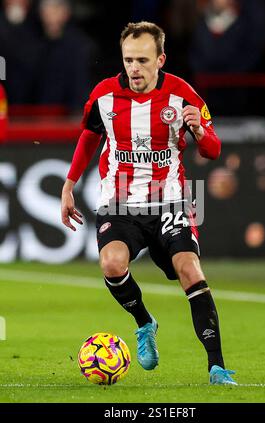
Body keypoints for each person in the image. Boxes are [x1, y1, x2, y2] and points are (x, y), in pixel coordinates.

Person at [61, 21, 237, 385]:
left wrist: (201, 131)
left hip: (169, 201)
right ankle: (145, 323)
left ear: (161, 59)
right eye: (128, 60)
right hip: (119, 201)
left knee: (189, 270)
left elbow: (213, 149)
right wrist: (69, 183)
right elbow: (89, 136)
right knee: (111, 264)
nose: (134, 68)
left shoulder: (183, 95)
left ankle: (217, 367)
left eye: (142, 60)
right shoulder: (104, 96)